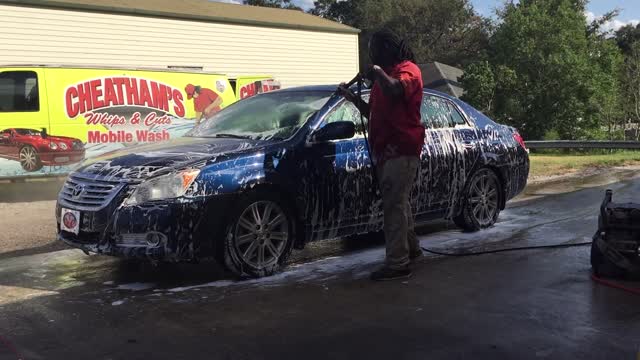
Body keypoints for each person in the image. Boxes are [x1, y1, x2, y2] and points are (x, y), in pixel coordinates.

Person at [338, 29, 425, 281]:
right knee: (400, 204)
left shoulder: (409, 70)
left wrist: (376, 72)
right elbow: (374, 113)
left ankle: (398, 263)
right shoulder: (384, 79)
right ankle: (413, 250)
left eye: (374, 49)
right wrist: (352, 98)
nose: (371, 53)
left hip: (402, 148)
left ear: (387, 49)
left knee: (394, 206)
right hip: (386, 150)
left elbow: (396, 90)